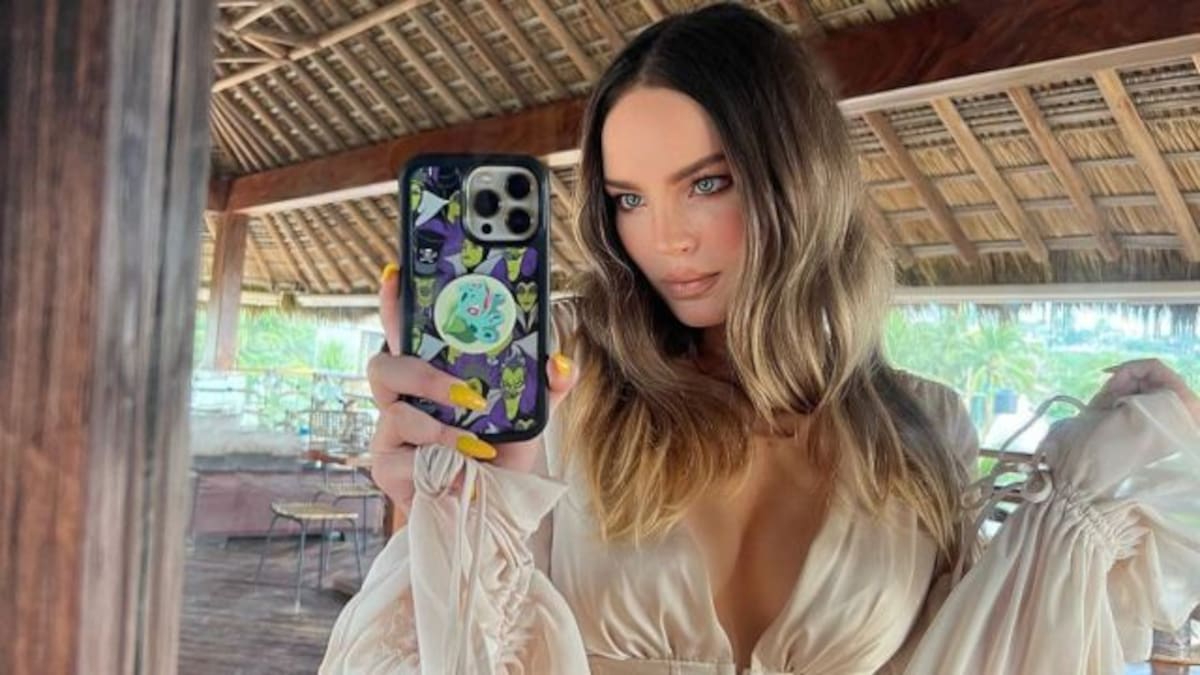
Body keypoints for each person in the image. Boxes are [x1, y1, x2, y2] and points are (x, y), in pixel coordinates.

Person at [326, 4, 1200, 673]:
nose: (666, 238)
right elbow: (458, 639)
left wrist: (1101, 482)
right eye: (629, 199)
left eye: (707, 183)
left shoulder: (927, 429)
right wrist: (443, 505)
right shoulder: (560, 374)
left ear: (799, 178)